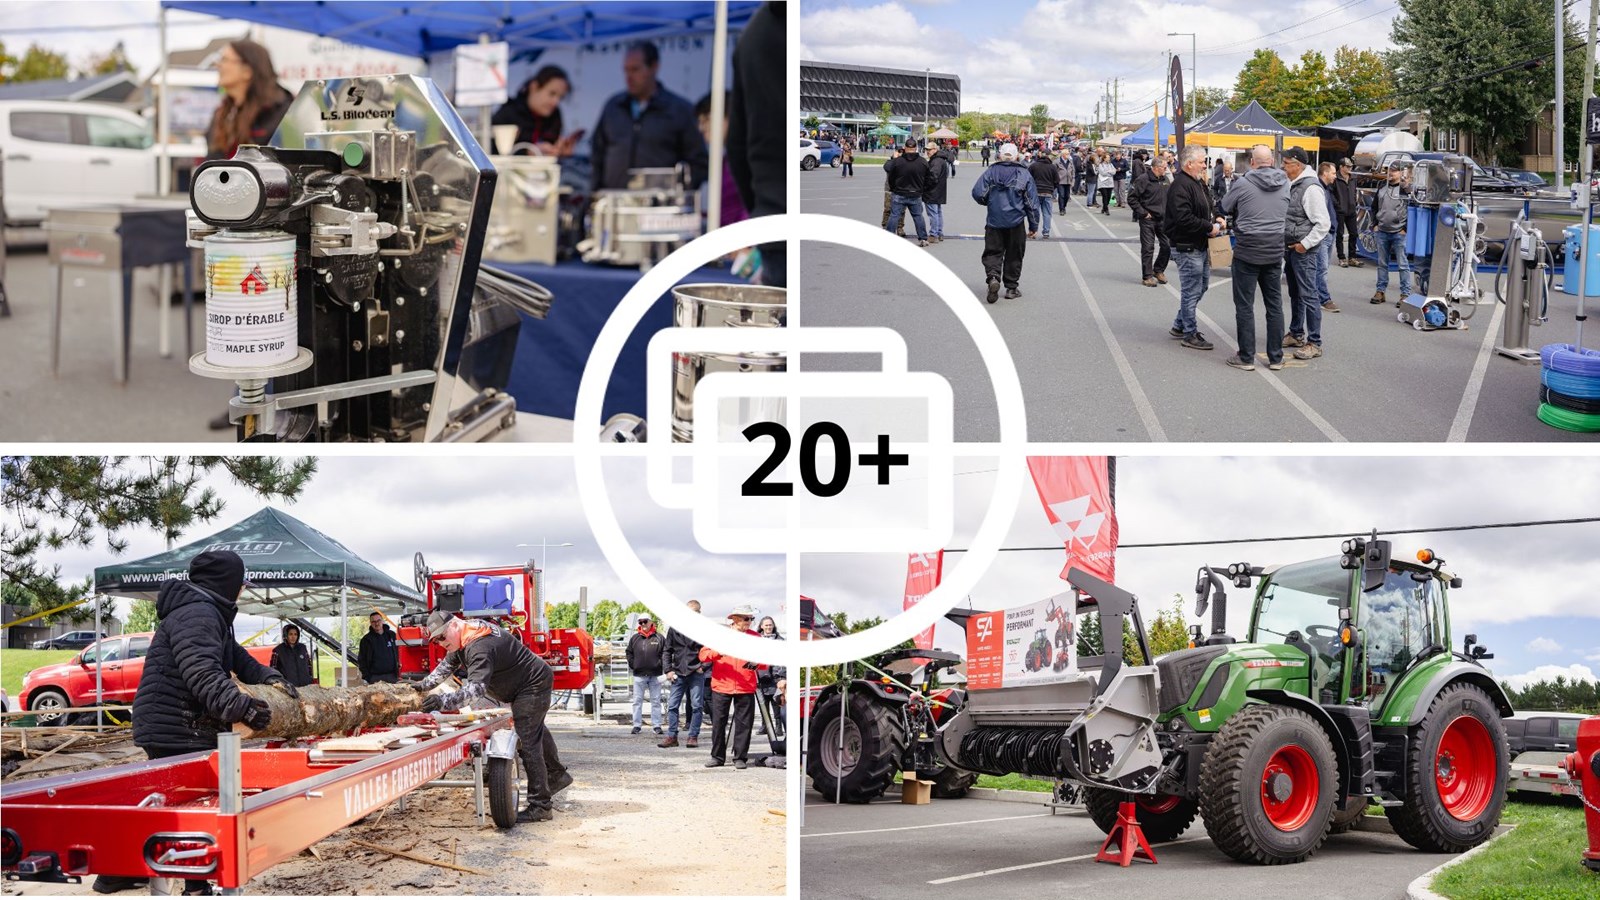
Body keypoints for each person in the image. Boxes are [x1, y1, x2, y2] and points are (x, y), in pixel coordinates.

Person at [113, 550, 295, 895]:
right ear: (226, 583)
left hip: (188, 724)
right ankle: (128, 870)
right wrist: (243, 708)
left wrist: (269, 676)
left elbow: (235, 655)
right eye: (239, 584)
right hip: (174, 725)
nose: (241, 590)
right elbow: (202, 672)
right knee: (185, 810)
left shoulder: (209, 612)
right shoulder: (197, 613)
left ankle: (188, 883)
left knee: (191, 807)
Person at [204, 39, 294, 432]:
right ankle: (245, 402)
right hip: (227, 234)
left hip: (271, 237)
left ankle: (267, 405)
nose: (219, 68)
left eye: (225, 61)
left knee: (270, 326)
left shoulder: (281, 111)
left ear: (248, 68)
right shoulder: (224, 112)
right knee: (235, 325)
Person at [417, 612, 571, 823]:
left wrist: (441, 702)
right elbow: (446, 666)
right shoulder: (464, 636)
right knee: (535, 730)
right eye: (435, 640)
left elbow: (475, 691)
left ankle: (541, 806)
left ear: (454, 625)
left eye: (442, 637)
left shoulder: (479, 645)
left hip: (531, 685)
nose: (440, 643)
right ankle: (556, 776)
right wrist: (421, 686)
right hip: (523, 685)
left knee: (528, 741)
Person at [589, 41, 707, 192]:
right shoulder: (613, 106)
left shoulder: (679, 110)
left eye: (635, 70)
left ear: (654, 67)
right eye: (626, 70)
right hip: (614, 201)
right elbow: (597, 152)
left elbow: (698, 162)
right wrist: (595, 190)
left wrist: (678, 191)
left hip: (658, 207)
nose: (629, 77)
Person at [727, 1, 786, 287]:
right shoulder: (757, 34)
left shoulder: (753, 35)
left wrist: (763, 207)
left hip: (774, 220)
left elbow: (737, 146)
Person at [1219, 144, 1290, 372]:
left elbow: (1225, 206)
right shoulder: (1286, 182)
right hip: (1274, 250)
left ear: (1252, 161)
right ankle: (1276, 357)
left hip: (1248, 250)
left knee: (1244, 306)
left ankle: (1246, 357)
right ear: (1272, 160)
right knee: (1274, 306)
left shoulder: (1243, 182)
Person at [1165, 146, 1224, 351]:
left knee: (1201, 286)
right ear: (1189, 163)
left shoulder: (1198, 182)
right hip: (1186, 246)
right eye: (1201, 161)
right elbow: (1183, 218)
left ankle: (1180, 325)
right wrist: (1209, 227)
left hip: (1199, 244)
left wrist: (1217, 216)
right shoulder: (1180, 185)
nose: (1204, 165)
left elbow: (1209, 205)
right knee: (1191, 290)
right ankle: (1190, 333)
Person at [1280, 148, 1332, 360]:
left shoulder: (1310, 188)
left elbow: (1323, 223)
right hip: (1293, 247)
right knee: (1296, 293)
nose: (1283, 166)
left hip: (1303, 250)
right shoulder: (1296, 184)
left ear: (1297, 165)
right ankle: (1296, 333)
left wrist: (1305, 244)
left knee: (1309, 295)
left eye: (1286, 163)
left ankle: (1315, 342)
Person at [971, 142, 1040, 303]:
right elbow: (1031, 203)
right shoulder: (1023, 174)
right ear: (1017, 156)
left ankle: (993, 277)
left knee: (993, 252)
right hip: (1015, 222)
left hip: (994, 220)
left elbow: (977, 193)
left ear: (999, 155)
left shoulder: (991, 171)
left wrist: (989, 202)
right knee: (1014, 254)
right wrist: (1033, 225)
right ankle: (1011, 287)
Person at [699, 605, 764, 769]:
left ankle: (740, 757)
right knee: (718, 723)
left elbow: (765, 662)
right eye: (746, 619)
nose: (750, 622)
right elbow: (703, 655)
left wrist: (755, 664)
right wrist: (718, 652)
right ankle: (717, 757)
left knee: (745, 725)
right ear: (734, 619)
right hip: (721, 686)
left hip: (745, 686)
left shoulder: (755, 637)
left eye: (751, 619)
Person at [204, 39, 290, 162]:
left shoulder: (280, 113)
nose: (218, 65)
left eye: (224, 60)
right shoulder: (221, 114)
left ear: (247, 71)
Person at [491, 66, 581, 157]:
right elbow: (489, 151)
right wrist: (528, 152)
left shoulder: (555, 116)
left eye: (560, 97)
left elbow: (552, 150)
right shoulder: (509, 112)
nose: (555, 102)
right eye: (552, 93)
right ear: (534, 87)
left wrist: (560, 152)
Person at [659, 599, 708, 749]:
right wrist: (668, 670)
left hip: (696, 672)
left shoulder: (704, 629)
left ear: (699, 613)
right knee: (672, 706)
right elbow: (667, 650)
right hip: (678, 673)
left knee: (696, 706)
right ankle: (672, 736)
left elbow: (710, 650)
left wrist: (704, 666)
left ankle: (693, 736)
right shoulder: (675, 628)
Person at [696, 92, 749, 227]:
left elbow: (752, 205)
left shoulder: (746, 159)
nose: (701, 128)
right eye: (700, 122)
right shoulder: (726, 160)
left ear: (729, 118)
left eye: (706, 119)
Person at [1370, 159, 1413, 304]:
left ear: (1401, 173)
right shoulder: (1382, 186)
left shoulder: (1405, 189)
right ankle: (1380, 291)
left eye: (1394, 171)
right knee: (1382, 263)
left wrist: (1405, 229)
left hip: (1398, 232)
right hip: (1382, 230)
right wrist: (1374, 224)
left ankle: (1405, 294)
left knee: (1402, 265)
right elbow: (1374, 206)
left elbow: (1411, 209)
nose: (1390, 173)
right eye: (1389, 170)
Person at [1130, 155, 1172, 287]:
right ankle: (1147, 276)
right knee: (1148, 248)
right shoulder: (1143, 179)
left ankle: (1158, 270)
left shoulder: (1165, 179)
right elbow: (1131, 198)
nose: (1166, 170)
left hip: (1163, 219)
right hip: (1148, 219)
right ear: (1156, 167)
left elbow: (1170, 197)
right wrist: (1143, 213)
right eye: (1164, 167)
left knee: (1167, 245)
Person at [884, 139, 932, 246]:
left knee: (894, 215)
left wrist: (893, 187)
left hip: (899, 192)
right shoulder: (922, 162)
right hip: (915, 193)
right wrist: (922, 188)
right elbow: (929, 178)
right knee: (918, 216)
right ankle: (923, 238)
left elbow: (890, 176)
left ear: (905, 148)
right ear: (916, 148)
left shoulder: (898, 161)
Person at [626, 613, 666, 735]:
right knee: (637, 701)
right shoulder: (635, 638)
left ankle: (657, 725)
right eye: (640, 622)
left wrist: (660, 664)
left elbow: (665, 653)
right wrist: (634, 665)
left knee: (656, 701)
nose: (643, 624)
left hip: (655, 675)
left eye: (645, 621)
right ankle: (637, 725)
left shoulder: (659, 637)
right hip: (639, 675)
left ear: (650, 622)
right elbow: (629, 653)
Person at [753, 616, 786, 737]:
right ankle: (765, 726)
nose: (768, 627)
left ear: (773, 626)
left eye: (770, 625)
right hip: (760, 677)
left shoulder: (780, 641)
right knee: (763, 703)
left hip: (775, 678)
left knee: (776, 703)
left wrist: (781, 677)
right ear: (761, 626)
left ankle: (778, 727)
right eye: (766, 625)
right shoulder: (755, 640)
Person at [1316, 161, 1341, 313]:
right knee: (1322, 268)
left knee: (1321, 268)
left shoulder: (1327, 189)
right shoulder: (1318, 189)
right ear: (1325, 173)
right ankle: (1324, 299)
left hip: (1329, 232)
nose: (1335, 176)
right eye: (1333, 173)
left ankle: (1315, 295)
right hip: (1324, 234)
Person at [357, 611, 399, 684]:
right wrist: (368, 677)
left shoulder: (392, 635)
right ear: (370, 623)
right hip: (375, 678)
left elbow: (400, 652)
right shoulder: (366, 640)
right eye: (373, 622)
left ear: (382, 621)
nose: (376, 623)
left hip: (392, 676)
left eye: (378, 620)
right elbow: (361, 660)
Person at [1334, 158, 1361, 268]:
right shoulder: (1335, 178)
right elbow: (1331, 193)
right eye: (1348, 167)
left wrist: (1355, 202)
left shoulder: (1353, 178)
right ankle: (1341, 257)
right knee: (1339, 235)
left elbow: (1354, 191)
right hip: (1340, 210)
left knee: (1354, 233)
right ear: (1341, 167)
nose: (1350, 168)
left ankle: (1352, 257)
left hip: (1351, 209)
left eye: (1351, 167)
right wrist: (1337, 205)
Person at [923, 141, 952, 243]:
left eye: (929, 150)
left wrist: (925, 187)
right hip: (939, 191)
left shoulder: (936, 161)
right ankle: (939, 233)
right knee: (938, 213)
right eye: (926, 150)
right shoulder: (941, 160)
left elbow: (932, 177)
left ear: (935, 149)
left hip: (932, 192)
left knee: (933, 214)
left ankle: (934, 234)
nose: (927, 152)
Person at [1027, 150, 1059, 238]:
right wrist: (1052, 189)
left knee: (1034, 213)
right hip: (1048, 192)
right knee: (1047, 213)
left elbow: (1027, 178)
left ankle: (1033, 231)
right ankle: (1046, 232)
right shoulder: (1052, 167)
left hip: (1036, 192)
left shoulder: (1034, 166)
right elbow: (1057, 181)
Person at [270, 623, 314, 688]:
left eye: (295, 634)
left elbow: (309, 666)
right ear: (285, 635)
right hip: (288, 688)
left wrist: (310, 679)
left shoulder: (303, 648)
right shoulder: (278, 650)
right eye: (290, 634)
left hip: (306, 686)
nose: (293, 637)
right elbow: (273, 670)